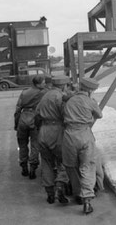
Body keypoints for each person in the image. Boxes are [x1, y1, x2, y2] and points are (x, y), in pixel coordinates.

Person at [62, 77, 103, 215]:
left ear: (80, 86)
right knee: (87, 166)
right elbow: (99, 115)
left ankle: (77, 194)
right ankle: (87, 200)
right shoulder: (90, 101)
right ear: (91, 90)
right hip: (85, 134)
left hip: (69, 135)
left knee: (71, 166)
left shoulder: (70, 100)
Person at [35, 75, 71, 205]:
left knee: (46, 163)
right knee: (64, 161)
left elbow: (37, 114)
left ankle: (49, 194)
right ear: (63, 86)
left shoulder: (45, 95)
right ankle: (60, 188)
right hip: (57, 131)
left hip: (43, 131)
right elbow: (66, 115)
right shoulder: (60, 97)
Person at [14, 75, 47, 179]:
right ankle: (33, 168)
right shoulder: (43, 93)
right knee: (35, 145)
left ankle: (24, 166)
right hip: (35, 119)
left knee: (22, 144)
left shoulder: (24, 92)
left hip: (23, 118)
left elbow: (18, 109)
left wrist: (16, 124)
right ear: (38, 83)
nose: (45, 84)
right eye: (43, 82)